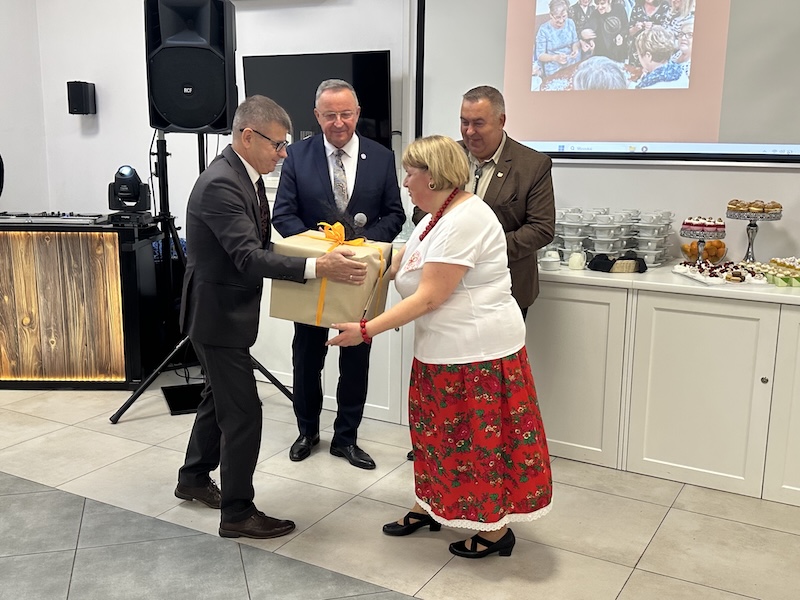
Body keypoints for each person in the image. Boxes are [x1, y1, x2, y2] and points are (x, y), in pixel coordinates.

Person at [328, 135, 553, 559]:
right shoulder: (436, 215)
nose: (404, 182)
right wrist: (352, 261)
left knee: (477, 446)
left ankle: (494, 530)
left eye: (410, 173)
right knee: (435, 438)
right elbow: (400, 263)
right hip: (442, 350)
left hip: (476, 354)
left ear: (432, 177)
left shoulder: (465, 219)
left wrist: (366, 329)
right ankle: (431, 505)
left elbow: (430, 296)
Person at [175, 95, 368, 539]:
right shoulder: (222, 184)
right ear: (248, 136)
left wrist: (316, 253)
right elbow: (248, 256)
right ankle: (237, 513)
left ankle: (193, 478)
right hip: (216, 317)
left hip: (222, 314)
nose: (283, 154)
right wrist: (318, 267)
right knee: (244, 414)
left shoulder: (244, 176)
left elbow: (259, 245)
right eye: (277, 145)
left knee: (217, 398)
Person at [272, 79, 405, 470]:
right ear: (317, 116)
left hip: (359, 276)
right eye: (330, 115)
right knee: (306, 359)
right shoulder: (297, 155)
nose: (339, 122)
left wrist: (359, 246)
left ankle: (346, 438)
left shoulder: (381, 157)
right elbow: (283, 215)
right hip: (313, 274)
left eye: (346, 114)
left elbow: (394, 214)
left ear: (358, 113)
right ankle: (307, 432)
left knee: (356, 360)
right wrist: (322, 249)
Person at [535, 0, 581, 78]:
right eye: (558, 17)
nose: (561, 20)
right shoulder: (544, 30)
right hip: (553, 67)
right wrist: (555, 57)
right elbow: (540, 55)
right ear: (551, 15)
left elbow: (575, 42)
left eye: (564, 16)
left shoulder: (570, 23)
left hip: (570, 62)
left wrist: (575, 49)